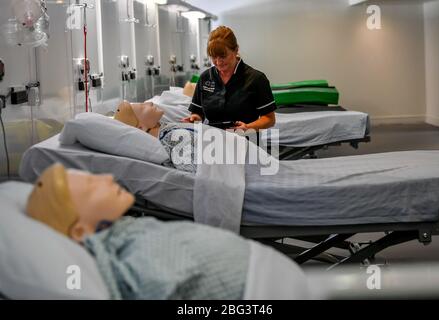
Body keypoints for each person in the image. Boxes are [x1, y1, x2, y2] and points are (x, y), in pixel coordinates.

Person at [26, 163, 310, 300]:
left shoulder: (127, 234)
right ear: (79, 230)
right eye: (91, 185)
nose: (108, 177)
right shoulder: (127, 261)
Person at [182, 26, 276, 131]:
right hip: (213, 141)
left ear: (236, 50)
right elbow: (198, 112)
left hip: (246, 142)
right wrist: (195, 118)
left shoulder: (256, 79)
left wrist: (248, 127)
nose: (218, 62)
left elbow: (269, 119)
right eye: (213, 57)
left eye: (223, 56)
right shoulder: (205, 78)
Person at [114, 100, 198, 173]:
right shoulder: (172, 141)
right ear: (141, 128)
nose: (149, 103)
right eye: (143, 107)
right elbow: (195, 171)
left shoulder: (166, 129)